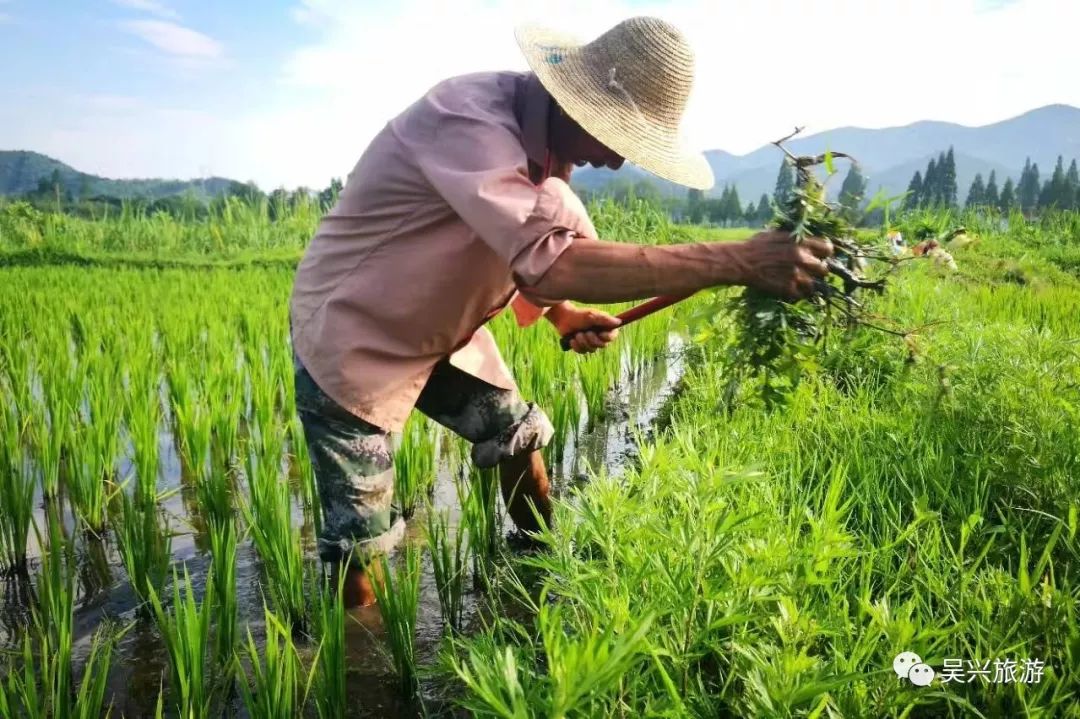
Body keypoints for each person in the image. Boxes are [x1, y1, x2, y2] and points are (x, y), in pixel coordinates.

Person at [288, 15, 834, 607]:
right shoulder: (467, 120)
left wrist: (562, 313)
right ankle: (360, 649)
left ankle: (545, 563)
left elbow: (534, 255)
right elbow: (550, 261)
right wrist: (734, 261)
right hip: (354, 332)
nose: (619, 162)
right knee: (359, 540)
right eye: (618, 138)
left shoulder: (548, 176)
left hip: (440, 332)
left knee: (517, 432)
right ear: (579, 107)